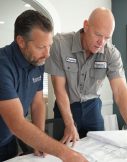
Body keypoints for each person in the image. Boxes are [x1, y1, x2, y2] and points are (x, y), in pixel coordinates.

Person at [45, 7, 127, 162]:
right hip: (66, 107)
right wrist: (69, 122)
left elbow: (121, 92)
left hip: (92, 108)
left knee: (98, 155)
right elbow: (59, 89)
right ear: (86, 25)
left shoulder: (111, 53)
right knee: (63, 154)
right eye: (98, 35)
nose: (101, 42)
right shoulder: (60, 44)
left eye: (107, 37)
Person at [0, 10, 88, 162]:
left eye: (50, 46)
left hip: (8, 141)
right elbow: (17, 123)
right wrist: (67, 154)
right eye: (41, 47)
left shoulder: (37, 60)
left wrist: (38, 140)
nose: (47, 54)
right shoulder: (3, 65)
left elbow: (38, 103)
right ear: (21, 41)